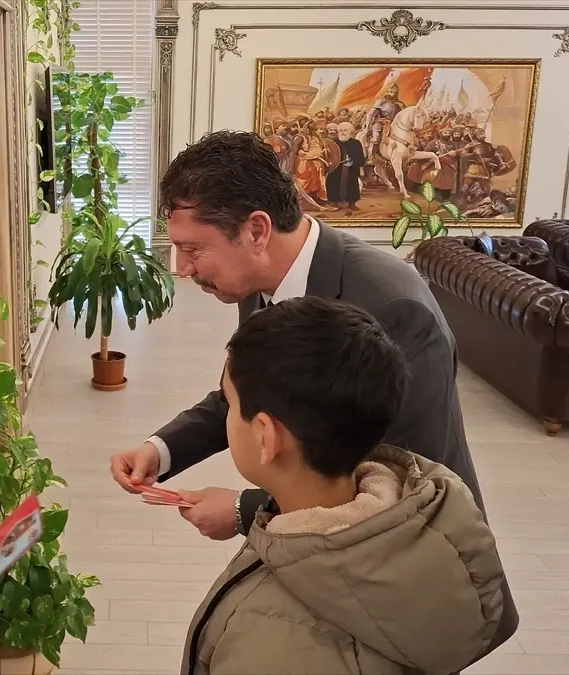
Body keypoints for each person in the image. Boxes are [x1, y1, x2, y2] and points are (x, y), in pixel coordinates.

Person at [108, 130, 518, 654]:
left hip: (405, 573)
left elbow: (401, 478)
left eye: (192, 250)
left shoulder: (392, 309)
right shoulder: (262, 280)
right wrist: (161, 449)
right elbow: (247, 392)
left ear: (256, 229)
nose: (181, 269)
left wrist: (244, 510)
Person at [183, 296, 506, 674]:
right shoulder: (422, 533)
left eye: (232, 405)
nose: (227, 418)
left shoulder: (272, 643)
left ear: (266, 437)